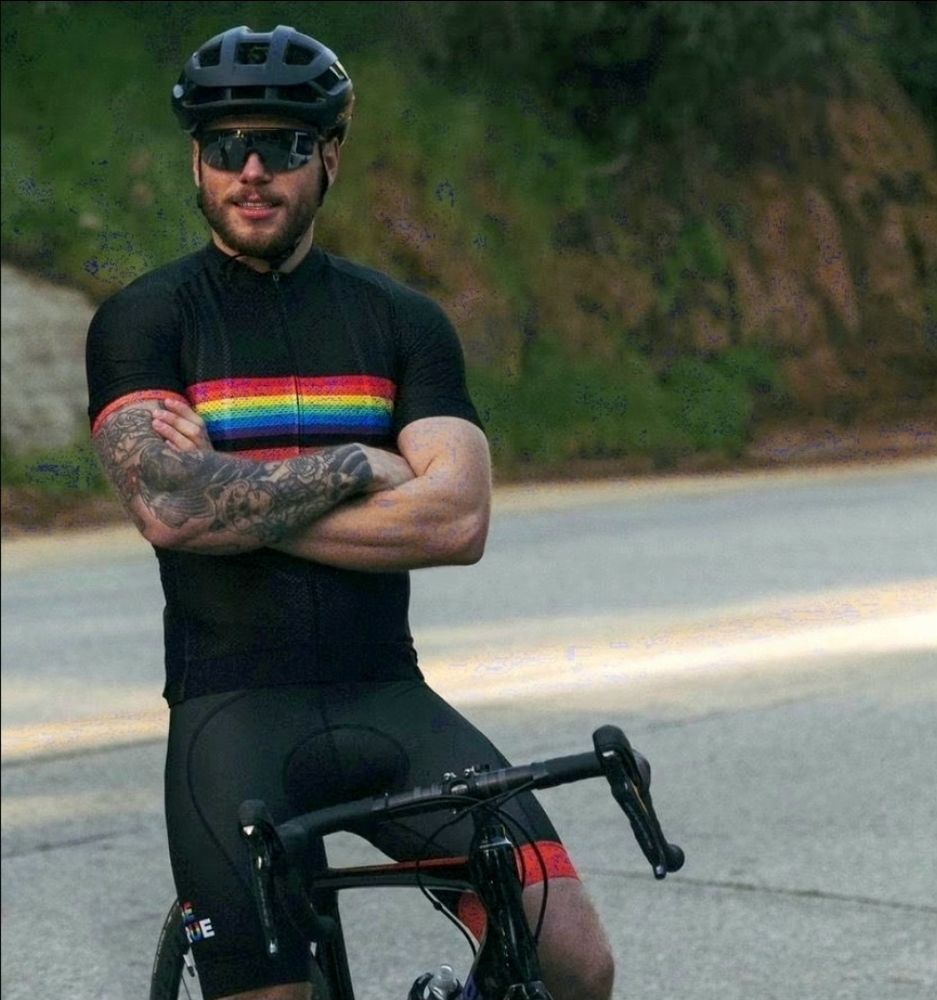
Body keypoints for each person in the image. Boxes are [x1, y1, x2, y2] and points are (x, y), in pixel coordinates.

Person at [85, 25, 614, 1000]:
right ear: (194, 159)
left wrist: (238, 500)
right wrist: (358, 461)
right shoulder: (146, 322)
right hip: (229, 720)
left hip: (390, 703)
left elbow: (456, 521)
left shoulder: (401, 322)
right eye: (224, 144)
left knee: (572, 962)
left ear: (328, 155)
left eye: (282, 144)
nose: (251, 169)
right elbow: (169, 509)